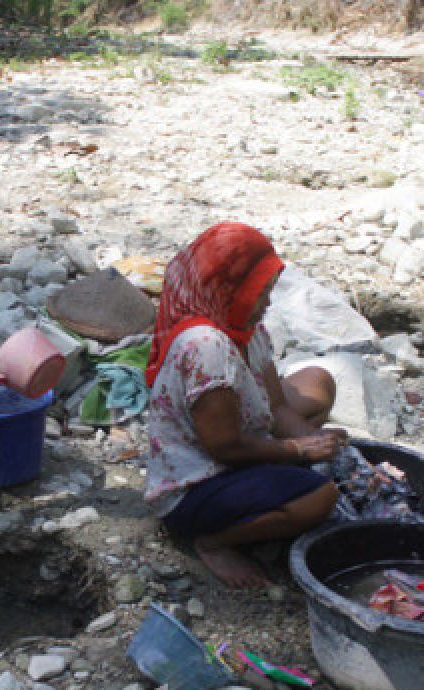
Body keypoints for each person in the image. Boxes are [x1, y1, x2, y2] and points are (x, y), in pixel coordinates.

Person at [144, 222, 347, 589]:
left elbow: (278, 406)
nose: (266, 303)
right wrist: (296, 450)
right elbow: (225, 447)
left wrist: (319, 444)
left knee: (317, 381)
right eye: (260, 293)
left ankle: (280, 478)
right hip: (198, 480)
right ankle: (214, 542)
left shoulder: (245, 330)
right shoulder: (206, 346)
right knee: (319, 498)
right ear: (229, 289)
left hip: (237, 440)